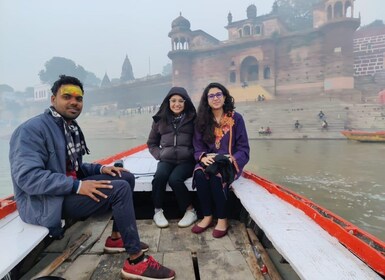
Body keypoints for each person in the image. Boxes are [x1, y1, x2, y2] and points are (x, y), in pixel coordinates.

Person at [9, 75, 175, 280]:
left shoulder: (67, 127)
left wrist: (101, 169)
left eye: (78, 98)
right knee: (120, 190)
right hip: (44, 202)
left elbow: (73, 168)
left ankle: (117, 239)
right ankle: (135, 261)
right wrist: (78, 186)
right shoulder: (31, 130)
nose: (74, 102)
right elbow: (28, 178)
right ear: (53, 99)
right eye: (67, 96)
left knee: (125, 177)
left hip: (64, 191)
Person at [191, 82, 250, 238]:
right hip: (210, 160)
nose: (215, 98)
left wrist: (232, 158)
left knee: (217, 177)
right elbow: (197, 147)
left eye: (218, 95)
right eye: (211, 96)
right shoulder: (202, 121)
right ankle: (207, 216)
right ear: (207, 100)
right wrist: (202, 157)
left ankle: (222, 219)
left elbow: (244, 149)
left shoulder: (236, 119)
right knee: (200, 175)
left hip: (229, 163)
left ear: (225, 97)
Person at [147, 87, 197, 228]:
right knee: (159, 177)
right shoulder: (159, 120)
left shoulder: (194, 119)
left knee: (175, 179)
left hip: (186, 161)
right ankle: (157, 211)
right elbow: (151, 143)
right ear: (168, 102)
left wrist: (193, 154)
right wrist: (160, 154)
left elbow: (200, 141)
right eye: (173, 100)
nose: (177, 104)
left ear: (186, 102)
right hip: (166, 159)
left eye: (181, 101)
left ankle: (190, 210)